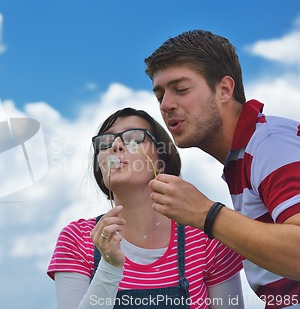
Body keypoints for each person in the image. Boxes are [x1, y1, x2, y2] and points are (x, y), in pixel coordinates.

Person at [145, 30, 300, 308]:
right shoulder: (245, 156)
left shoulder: (269, 143)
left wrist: (206, 214)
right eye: (160, 96)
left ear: (225, 89)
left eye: (181, 89)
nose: (166, 105)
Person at [47, 107, 244, 309]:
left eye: (133, 139)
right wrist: (109, 267)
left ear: (160, 163)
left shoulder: (207, 239)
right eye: (105, 143)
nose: (116, 145)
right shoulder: (77, 239)